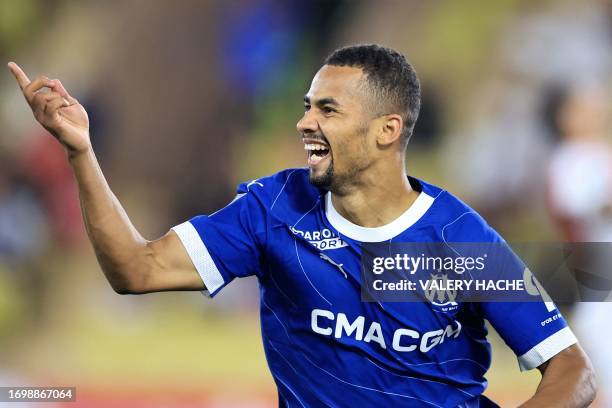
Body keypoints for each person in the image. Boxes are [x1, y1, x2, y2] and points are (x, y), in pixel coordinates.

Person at [8, 44, 596, 407]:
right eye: (308, 105)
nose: (304, 122)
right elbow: (136, 270)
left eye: (327, 110)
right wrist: (81, 152)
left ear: (387, 130)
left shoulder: (459, 241)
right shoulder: (273, 209)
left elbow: (572, 372)